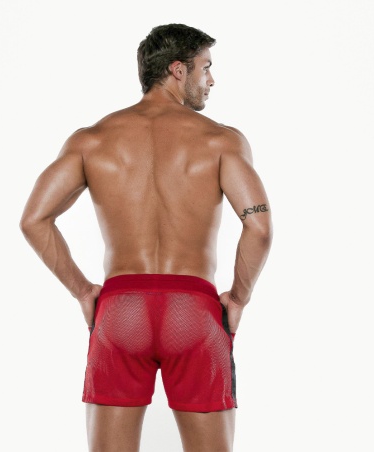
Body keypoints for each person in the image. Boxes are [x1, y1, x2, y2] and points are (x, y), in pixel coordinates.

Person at [20, 23, 273, 452]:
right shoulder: (221, 140)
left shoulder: (92, 140)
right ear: (178, 70)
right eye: (205, 68)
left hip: (121, 312)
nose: (212, 80)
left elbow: (34, 219)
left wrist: (83, 291)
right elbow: (260, 226)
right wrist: (238, 298)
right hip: (194, 311)